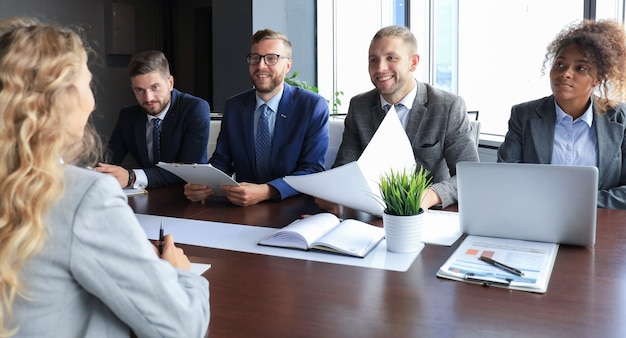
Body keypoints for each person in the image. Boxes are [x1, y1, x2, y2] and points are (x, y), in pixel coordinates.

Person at [0, 18, 209, 337]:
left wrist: (128, 176)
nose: (93, 100)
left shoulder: (194, 109)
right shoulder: (82, 196)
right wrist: (181, 274)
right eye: (88, 84)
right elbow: (182, 327)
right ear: (64, 98)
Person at [319, 25, 479, 212]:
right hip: (370, 214)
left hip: (428, 216)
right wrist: (331, 194)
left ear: (413, 62)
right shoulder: (359, 106)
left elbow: (469, 177)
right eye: (373, 60)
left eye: (391, 58)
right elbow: (344, 169)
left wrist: (429, 196)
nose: (380, 68)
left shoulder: (447, 106)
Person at [184, 29, 329, 206]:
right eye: (255, 58)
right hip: (242, 207)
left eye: (271, 58)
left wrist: (268, 190)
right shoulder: (234, 106)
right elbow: (222, 160)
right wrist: (205, 184)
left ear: (288, 66)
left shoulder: (312, 106)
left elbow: (312, 169)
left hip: (294, 206)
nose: (261, 65)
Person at [497, 19, 626, 209]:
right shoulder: (523, 115)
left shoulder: (620, 118)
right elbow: (505, 177)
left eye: (580, 68)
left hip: (601, 225)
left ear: (598, 78)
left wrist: (578, 203)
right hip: (537, 219)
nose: (565, 73)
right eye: (560, 64)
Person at [95, 50, 211, 188]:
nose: (148, 98)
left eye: (154, 87)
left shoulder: (195, 109)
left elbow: (189, 170)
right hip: (147, 196)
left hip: (187, 196)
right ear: (133, 89)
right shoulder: (128, 116)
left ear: (170, 83)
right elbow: (108, 160)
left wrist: (132, 177)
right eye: (140, 90)